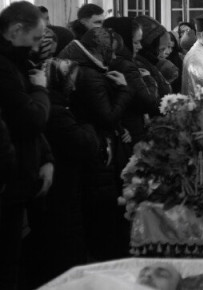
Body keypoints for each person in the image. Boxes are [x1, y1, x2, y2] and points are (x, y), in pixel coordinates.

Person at [58, 27, 133, 261]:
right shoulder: (90, 75)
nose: (114, 56)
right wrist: (124, 90)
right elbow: (107, 116)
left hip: (95, 146)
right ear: (102, 49)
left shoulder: (85, 68)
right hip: (99, 150)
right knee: (103, 218)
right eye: (112, 51)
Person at [24, 58, 99, 287]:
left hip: (58, 190)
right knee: (63, 250)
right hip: (61, 192)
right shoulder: (58, 113)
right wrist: (88, 126)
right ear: (60, 82)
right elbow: (83, 143)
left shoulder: (54, 107)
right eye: (71, 81)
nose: (74, 88)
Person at [0, 1, 52, 290]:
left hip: (20, 179)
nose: (35, 48)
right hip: (9, 183)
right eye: (34, 39)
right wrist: (41, 89)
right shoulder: (5, 68)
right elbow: (30, 119)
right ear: (16, 30)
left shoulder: (16, 62)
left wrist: (46, 158)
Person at [104, 17, 160, 143]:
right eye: (136, 42)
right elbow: (149, 102)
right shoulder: (126, 66)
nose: (140, 46)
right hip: (132, 129)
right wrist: (149, 79)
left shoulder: (112, 62)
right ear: (125, 41)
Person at [134, 16, 173, 100]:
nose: (165, 53)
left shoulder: (150, 63)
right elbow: (150, 99)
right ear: (150, 47)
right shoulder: (140, 65)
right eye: (161, 49)